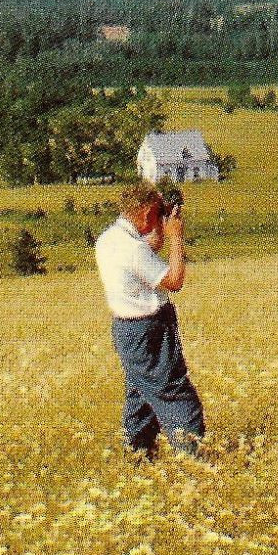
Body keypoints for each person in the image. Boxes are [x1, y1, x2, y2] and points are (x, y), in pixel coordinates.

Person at [94, 182, 205, 456]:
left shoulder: (110, 238)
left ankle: (138, 456)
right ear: (145, 214)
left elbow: (148, 250)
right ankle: (192, 458)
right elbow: (175, 280)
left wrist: (160, 227)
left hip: (127, 330)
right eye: (157, 213)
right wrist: (177, 236)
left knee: (141, 394)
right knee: (174, 393)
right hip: (148, 330)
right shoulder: (133, 249)